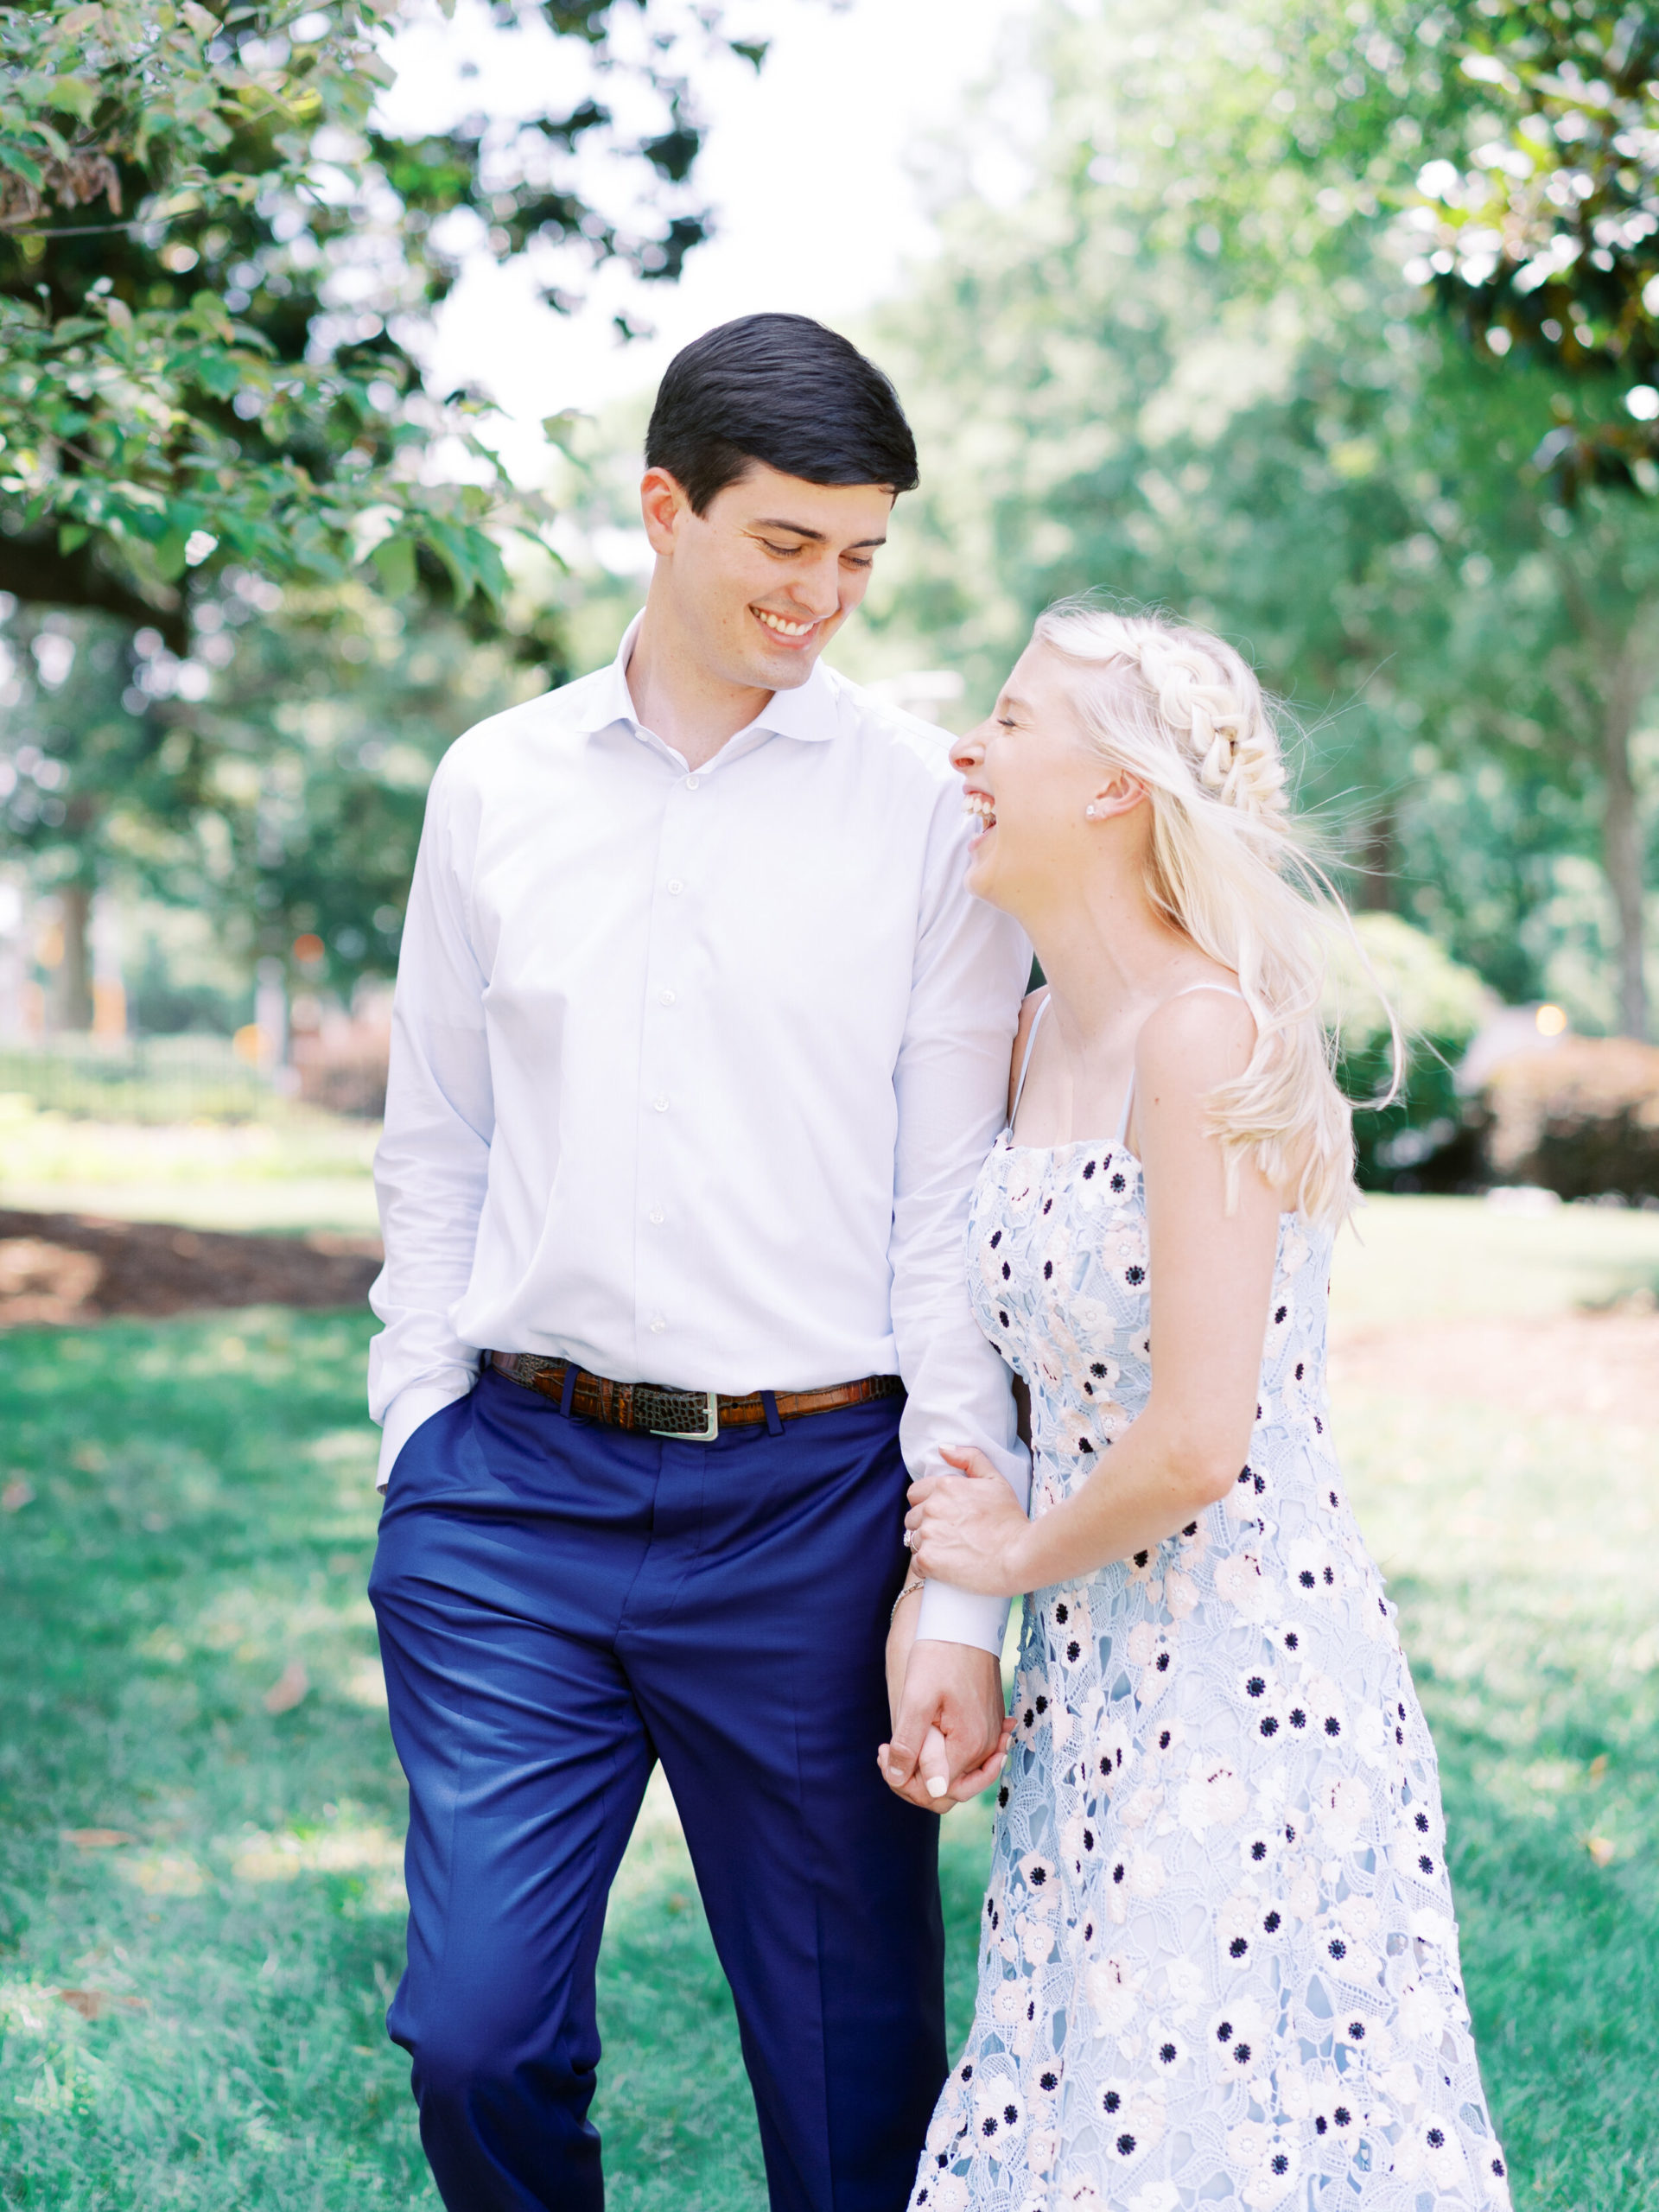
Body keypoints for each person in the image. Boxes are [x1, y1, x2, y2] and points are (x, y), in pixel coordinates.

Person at [364, 312, 1032, 2212]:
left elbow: (944, 1207)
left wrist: (955, 1586)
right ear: (665, 509)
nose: (824, 593)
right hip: (512, 1494)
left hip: (810, 1502)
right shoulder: (497, 785)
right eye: (784, 544)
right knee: (477, 2032)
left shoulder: (919, 802)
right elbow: (439, 1142)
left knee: (853, 2079)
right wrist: (419, 1429)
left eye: (860, 555)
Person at [891, 603, 1511, 2210]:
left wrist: (1011, 1558)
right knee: (1097, 2088)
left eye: (1014, 722)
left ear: (1112, 789)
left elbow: (1196, 1437)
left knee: (1206, 2118)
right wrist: (976, 1599)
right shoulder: (1036, 1031)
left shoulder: (1203, 1031)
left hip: (1244, 1660)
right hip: (1098, 1664)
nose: (973, 748)